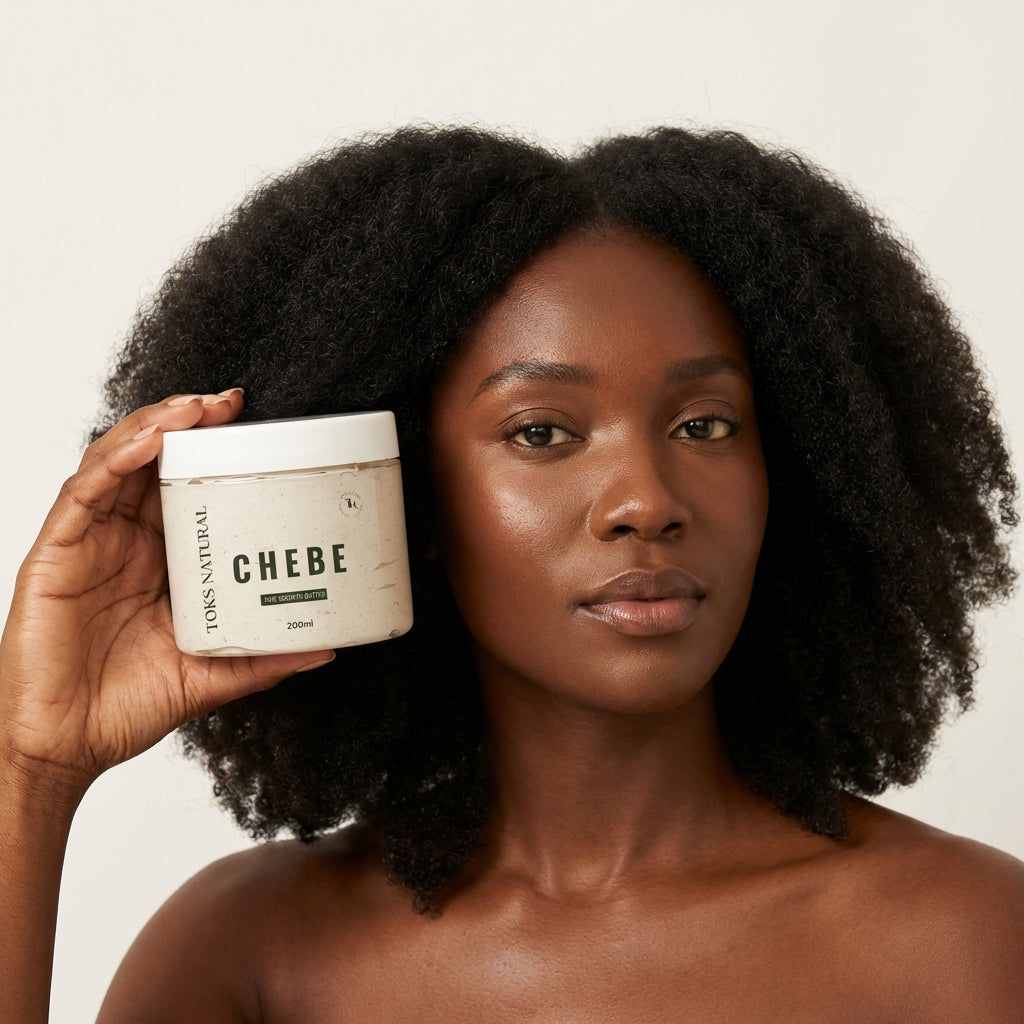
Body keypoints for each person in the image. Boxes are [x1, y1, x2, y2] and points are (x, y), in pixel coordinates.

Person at [2, 125, 1023, 1022]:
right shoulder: (250, 955)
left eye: (704, 424)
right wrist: (30, 768)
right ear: (413, 499)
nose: (646, 499)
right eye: (542, 431)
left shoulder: (959, 942)